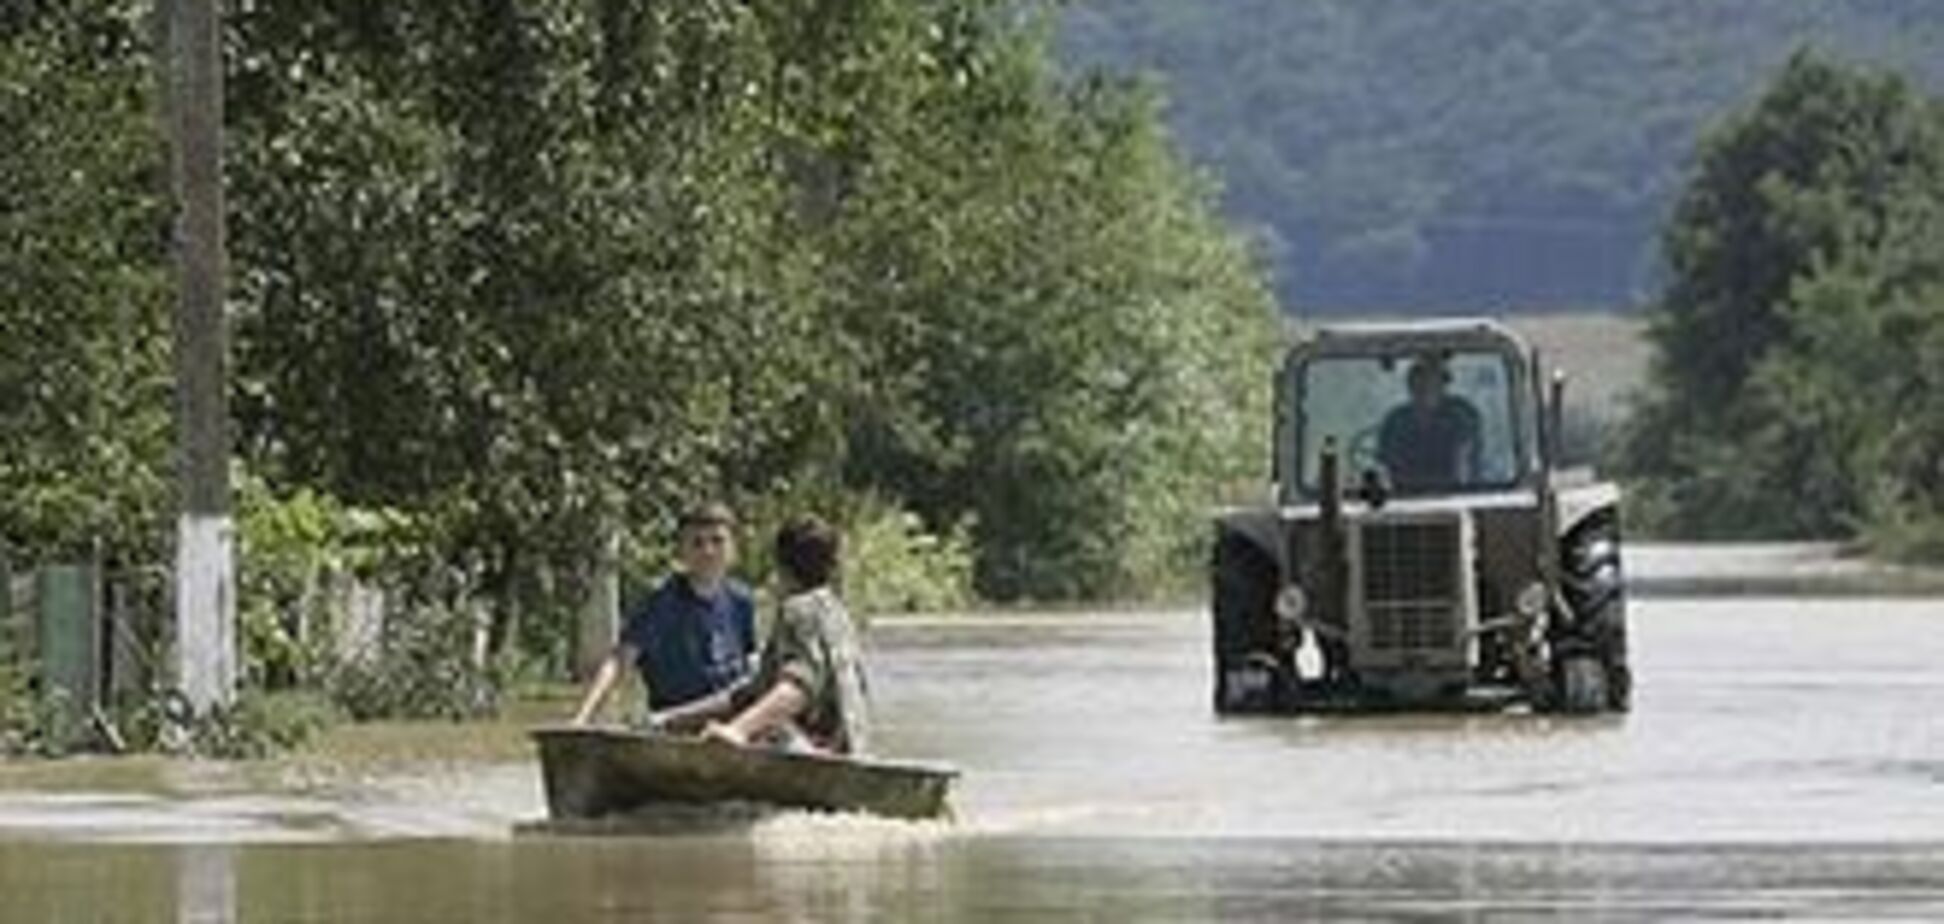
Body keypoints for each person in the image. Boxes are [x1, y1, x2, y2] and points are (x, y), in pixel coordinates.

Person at [570, 502, 757, 729]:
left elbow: (750, 665)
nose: (708, 551)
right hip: (674, 721)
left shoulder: (742, 600)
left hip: (733, 719)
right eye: (697, 543)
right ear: (682, 550)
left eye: (717, 541)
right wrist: (582, 717)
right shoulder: (661, 602)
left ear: (733, 548)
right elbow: (619, 662)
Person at [703, 515, 871, 756]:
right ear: (832, 567)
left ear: (781, 567)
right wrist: (670, 719)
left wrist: (738, 730)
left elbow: (799, 687)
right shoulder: (837, 611)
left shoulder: (798, 610)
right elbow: (749, 694)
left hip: (821, 753)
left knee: (766, 728)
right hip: (854, 748)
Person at [1377, 354, 1482, 492]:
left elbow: (1466, 459)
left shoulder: (1461, 416)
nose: (1425, 388)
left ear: (1443, 385)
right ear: (1411, 387)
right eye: (1419, 383)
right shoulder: (1396, 421)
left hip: (1455, 494)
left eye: (1431, 382)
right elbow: (1385, 464)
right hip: (1403, 496)